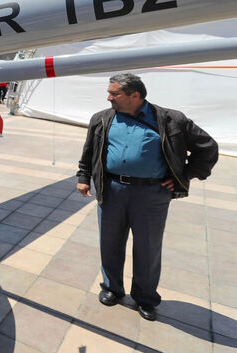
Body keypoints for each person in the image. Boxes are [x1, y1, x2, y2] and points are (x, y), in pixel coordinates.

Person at [76, 73, 218, 322]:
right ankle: (112, 288)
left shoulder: (171, 119)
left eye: (115, 93)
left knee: (148, 248)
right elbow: (89, 151)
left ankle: (145, 298)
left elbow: (207, 147)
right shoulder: (101, 119)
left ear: (135, 95)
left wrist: (185, 175)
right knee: (109, 243)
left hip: (152, 194)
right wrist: (84, 176)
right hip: (111, 191)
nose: (109, 97)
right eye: (109, 92)